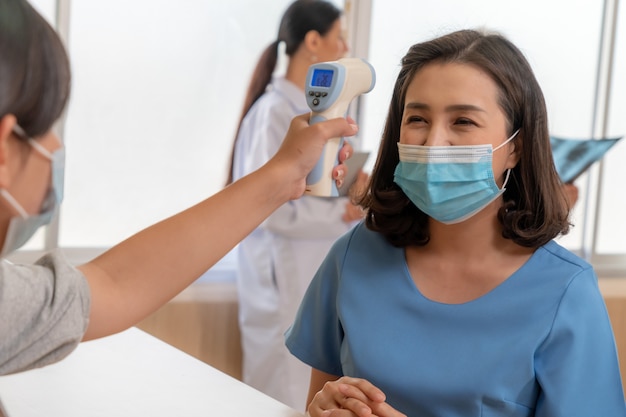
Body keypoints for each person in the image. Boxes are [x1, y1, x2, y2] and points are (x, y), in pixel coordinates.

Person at [0, 0, 357, 376]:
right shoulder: (273, 109)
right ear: (5, 150)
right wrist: (289, 182)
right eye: (48, 128)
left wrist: (285, 177)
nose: (57, 148)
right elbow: (111, 285)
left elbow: (108, 284)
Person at [285, 28, 626, 416]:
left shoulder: (566, 293)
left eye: (462, 121)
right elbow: (319, 401)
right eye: (417, 118)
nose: (433, 143)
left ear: (515, 146)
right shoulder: (352, 256)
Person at [225, 0, 364, 410]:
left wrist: (351, 191)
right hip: (279, 281)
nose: (346, 46)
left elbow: (308, 190)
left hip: (304, 276)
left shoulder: (307, 112)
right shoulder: (274, 113)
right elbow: (273, 207)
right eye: (339, 36)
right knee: (281, 394)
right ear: (313, 41)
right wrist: (342, 213)